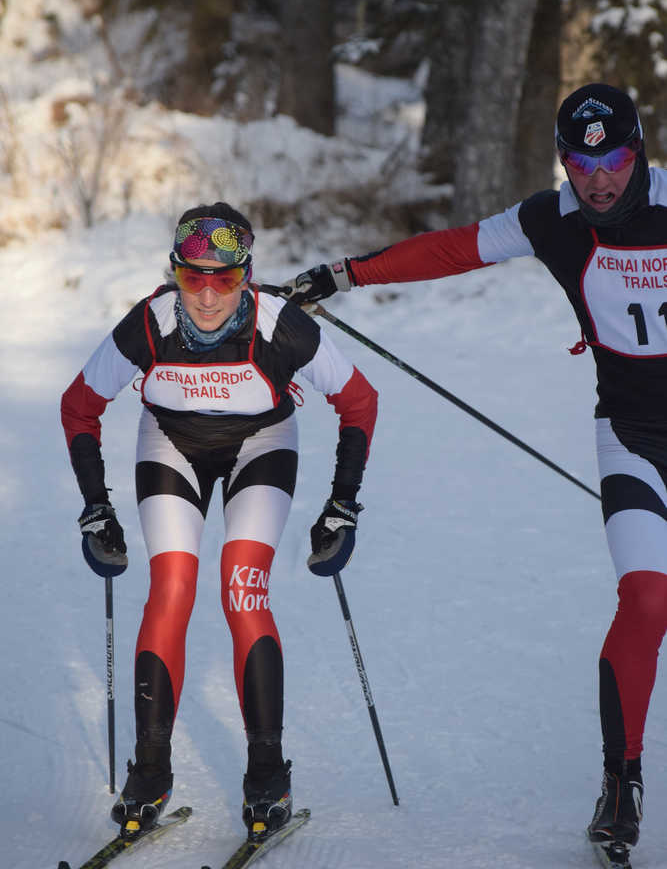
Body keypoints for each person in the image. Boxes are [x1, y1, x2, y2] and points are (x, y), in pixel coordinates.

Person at [279, 83, 667, 856]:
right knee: (647, 602)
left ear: (638, 154)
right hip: (629, 436)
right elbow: (452, 248)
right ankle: (620, 783)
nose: (598, 179)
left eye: (614, 159)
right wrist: (347, 273)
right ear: (562, 161)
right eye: (580, 163)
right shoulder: (549, 219)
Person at [61, 202, 378, 843]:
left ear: (248, 275)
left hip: (261, 443)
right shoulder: (148, 325)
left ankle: (268, 768)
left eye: (226, 279)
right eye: (193, 277)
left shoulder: (280, 326)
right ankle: (150, 767)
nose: (208, 295)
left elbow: (359, 401)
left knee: (242, 583)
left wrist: (342, 504)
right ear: (175, 272)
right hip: (171, 445)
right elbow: (79, 407)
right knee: (171, 587)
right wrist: (96, 506)